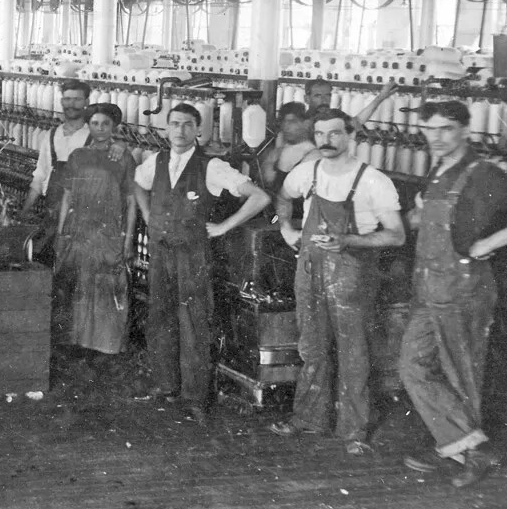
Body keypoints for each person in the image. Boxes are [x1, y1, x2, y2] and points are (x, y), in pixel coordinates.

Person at [395, 100, 507, 487]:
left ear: (466, 130)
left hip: (464, 289)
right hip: (429, 288)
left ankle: (466, 452)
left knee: (461, 375)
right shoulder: (439, 171)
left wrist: (492, 242)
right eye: (429, 130)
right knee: (413, 365)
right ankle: (461, 443)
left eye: (446, 129)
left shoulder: (484, 175)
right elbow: (426, 217)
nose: (436, 138)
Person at [272, 109, 405, 452]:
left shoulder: (373, 181)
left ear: (350, 136)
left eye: (334, 134)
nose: (326, 141)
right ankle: (308, 418)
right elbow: (283, 196)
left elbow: (396, 235)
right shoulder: (308, 172)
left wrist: (349, 241)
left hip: (351, 273)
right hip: (310, 270)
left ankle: (354, 431)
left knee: (353, 352)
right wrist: (286, 227)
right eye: (319, 134)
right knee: (312, 347)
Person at [133, 103, 271, 421]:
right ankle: (165, 385)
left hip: (193, 254)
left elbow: (260, 197)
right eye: (174, 123)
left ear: (199, 130)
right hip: (161, 250)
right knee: (161, 317)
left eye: (187, 124)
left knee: (194, 323)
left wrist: (224, 226)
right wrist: (146, 212)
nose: (179, 130)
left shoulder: (212, 167)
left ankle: (195, 396)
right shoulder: (157, 160)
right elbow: (138, 185)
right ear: (166, 128)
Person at [55, 103, 138, 356]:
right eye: (95, 123)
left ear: (114, 127)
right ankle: (75, 340)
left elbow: (132, 202)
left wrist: (129, 239)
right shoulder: (77, 156)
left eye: (105, 124)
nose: (100, 128)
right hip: (79, 230)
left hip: (108, 232)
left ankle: (105, 345)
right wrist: (61, 234)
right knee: (77, 283)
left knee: (107, 286)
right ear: (88, 125)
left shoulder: (123, 157)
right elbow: (67, 197)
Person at [23, 79, 92, 238]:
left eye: (77, 99)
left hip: (82, 220)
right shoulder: (51, 135)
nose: (71, 104)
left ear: (86, 102)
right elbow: (39, 177)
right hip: (52, 215)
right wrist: (23, 212)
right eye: (67, 99)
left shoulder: (93, 138)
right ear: (61, 101)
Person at [259, 102, 316, 219]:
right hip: (272, 218)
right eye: (283, 122)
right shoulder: (278, 151)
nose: (286, 127)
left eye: (292, 122)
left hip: (294, 220)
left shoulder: (313, 155)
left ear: (306, 123)